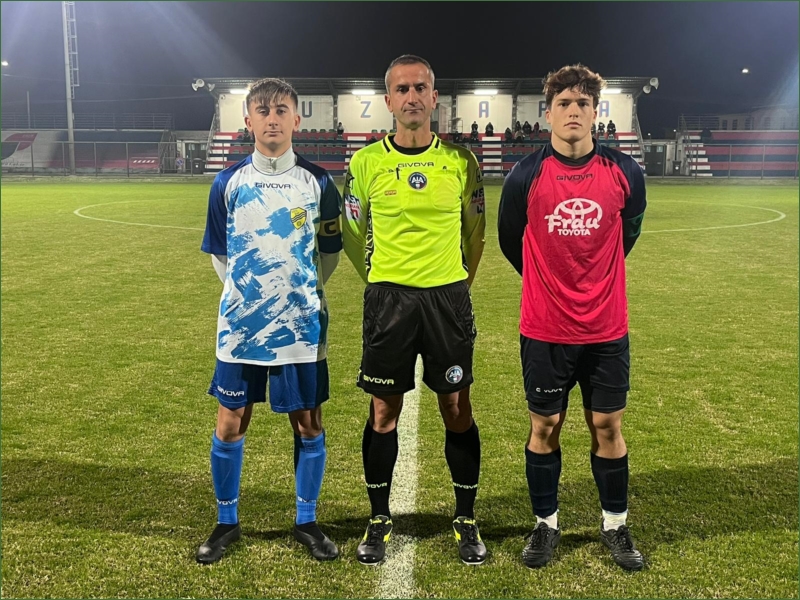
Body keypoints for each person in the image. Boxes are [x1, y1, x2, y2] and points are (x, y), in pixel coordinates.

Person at [497, 64, 647, 572]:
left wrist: (596, 281)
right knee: (546, 425)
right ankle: (546, 524)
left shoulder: (625, 172)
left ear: (596, 112)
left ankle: (615, 524)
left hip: (606, 327)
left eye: (583, 103)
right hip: (545, 328)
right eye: (564, 103)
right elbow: (510, 241)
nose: (574, 111)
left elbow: (629, 232)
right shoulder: (525, 175)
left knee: (607, 424)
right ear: (548, 114)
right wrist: (548, 283)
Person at [342, 54, 487, 566]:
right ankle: (379, 517)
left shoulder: (461, 162)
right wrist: (380, 281)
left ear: (434, 97)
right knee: (384, 411)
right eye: (402, 89)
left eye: (420, 88)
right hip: (389, 302)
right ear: (388, 100)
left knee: (456, 408)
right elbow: (353, 232)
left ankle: (465, 517)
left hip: (447, 300)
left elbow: (475, 231)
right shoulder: (365, 163)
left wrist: (457, 284)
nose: (411, 97)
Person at [197, 78, 343, 565]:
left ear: (297, 119)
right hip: (240, 327)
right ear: (248, 121)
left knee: (308, 422)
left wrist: (294, 294)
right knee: (230, 421)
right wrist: (252, 298)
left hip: (300, 327)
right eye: (262, 111)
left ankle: (306, 521)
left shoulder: (318, 182)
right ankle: (226, 522)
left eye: (281, 110)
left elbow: (328, 254)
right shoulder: (227, 182)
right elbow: (220, 255)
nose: (272, 119)